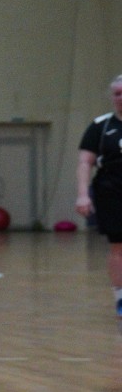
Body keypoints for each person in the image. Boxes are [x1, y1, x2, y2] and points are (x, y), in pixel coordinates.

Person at [75, 75, 122, 316]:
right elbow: (85, 162)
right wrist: (83, 195)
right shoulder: (100, 126)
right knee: (118, 246)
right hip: (112, 192)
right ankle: (120, 298)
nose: (121, 98)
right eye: (117, 93)